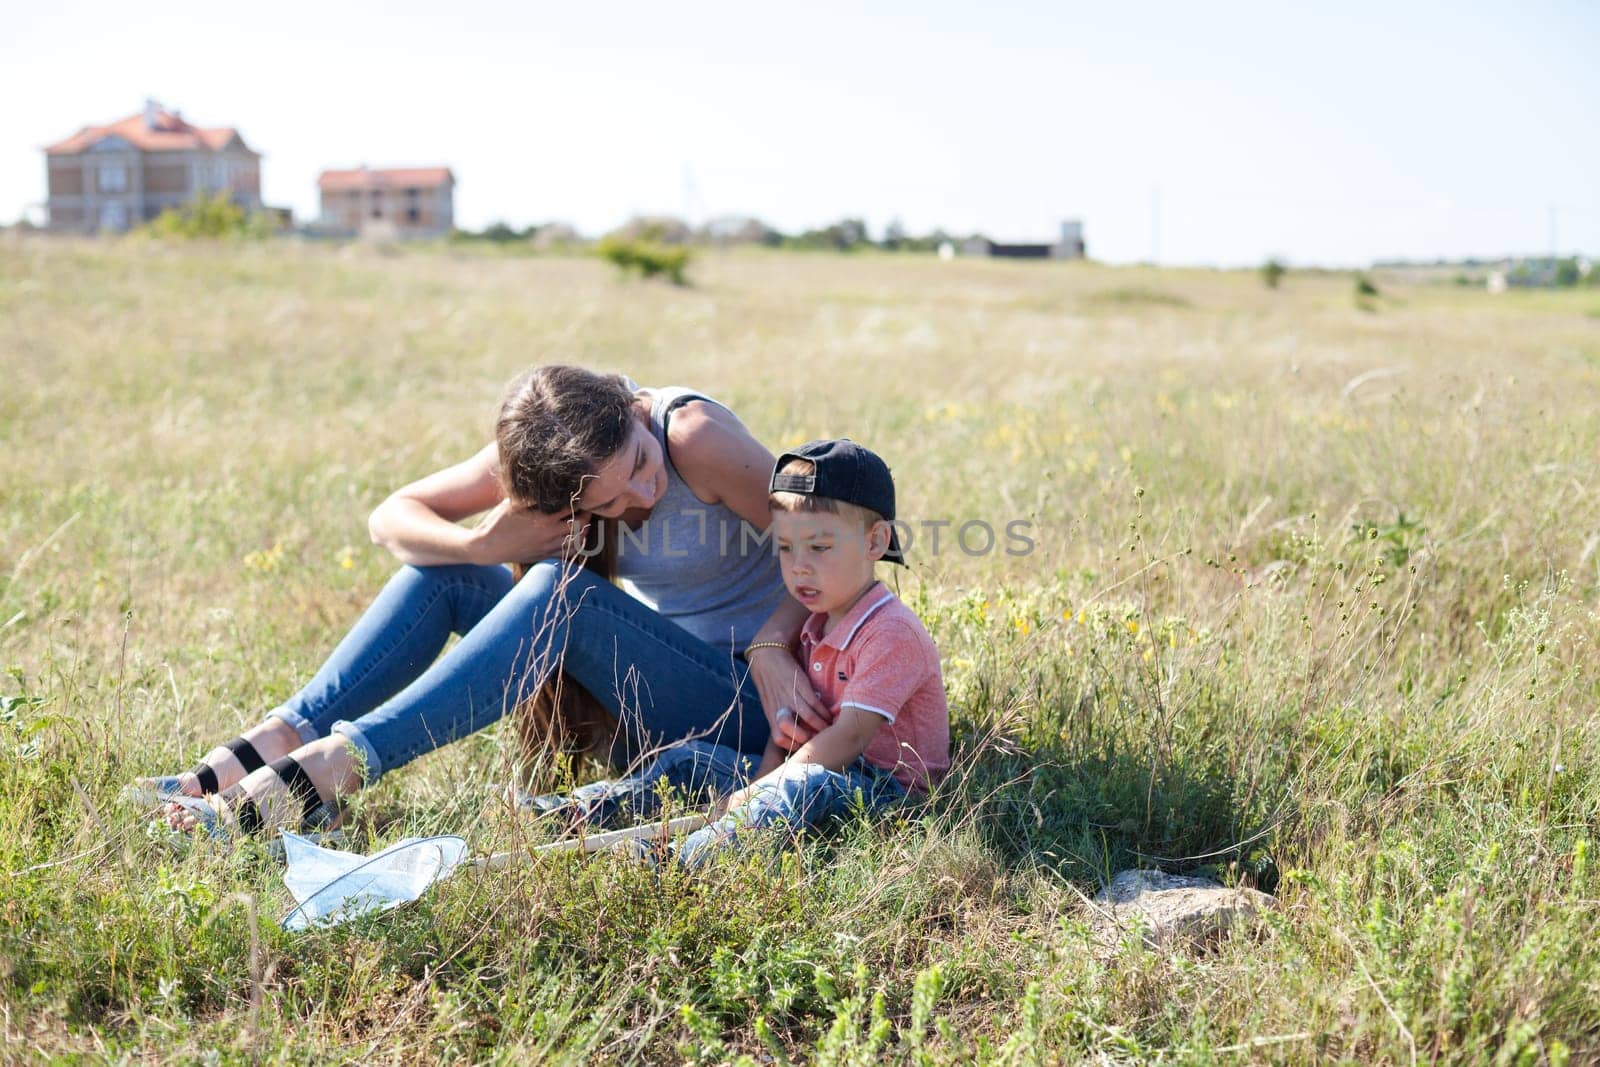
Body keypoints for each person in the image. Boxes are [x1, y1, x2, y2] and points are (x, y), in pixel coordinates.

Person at [141, 364, 839, 836]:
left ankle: (328, 770)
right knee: (442, 573)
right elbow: (391, 517)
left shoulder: (692, 437)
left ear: (632, 412)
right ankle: (270, 745)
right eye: (609, 501)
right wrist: (479, 545)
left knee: (560, 592)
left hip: (764, 707)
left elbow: (829, 549)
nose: (643, 496)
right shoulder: (551, 453)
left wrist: (774, 645)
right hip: (657, 693)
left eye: (637, 466)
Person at [524, 439, 950, 867]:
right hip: (813, 769)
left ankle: (676, 863)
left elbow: (851, 736)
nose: (799, 565)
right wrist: (761, 779)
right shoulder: (814, 623)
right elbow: (790, 730)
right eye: (786, 547)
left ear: (875, 541)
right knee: (692, 760)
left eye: (819, 547)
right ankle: (575, 812)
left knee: (796, 790)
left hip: (886, 794)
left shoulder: (890, 631)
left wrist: (759, 793)